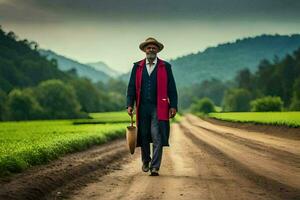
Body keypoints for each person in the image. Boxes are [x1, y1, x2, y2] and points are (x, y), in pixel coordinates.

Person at [126, 37, 178, 176]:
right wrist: (129, 105)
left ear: (157, 50)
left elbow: (171, 87)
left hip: (159, 107)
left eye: (153, 48)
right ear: (144, 50)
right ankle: (146, 161)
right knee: (143, 135)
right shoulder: (137, 67)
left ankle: (155, 167)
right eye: (148, 48)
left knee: (157, 135)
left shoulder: (165, 66)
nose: (151, 50)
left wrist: (173, 105)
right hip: (142, 106)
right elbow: (131, 87)